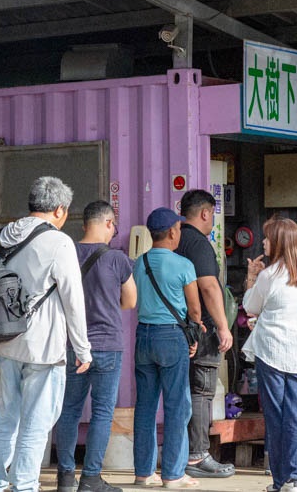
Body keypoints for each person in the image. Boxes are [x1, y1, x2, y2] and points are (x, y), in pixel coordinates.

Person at [0, 177, 92, 492]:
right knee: (35, 425)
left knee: (5, 420)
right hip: (43, 347)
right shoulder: (59, 242)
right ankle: (25, 485)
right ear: (59, 210)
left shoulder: (2, 236)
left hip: (4, 341)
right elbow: (72, 298)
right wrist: (82, 349)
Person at [55, 201, 136, 492]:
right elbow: (130, 301)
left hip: (74, 345)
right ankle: (90, 478)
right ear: (107, 223)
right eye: (113, 225)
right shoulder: (116, 259)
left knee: (69, 410)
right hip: (108, 346)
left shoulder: (67, 253)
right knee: (102, 412)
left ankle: (65, 477)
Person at [243, 217, 297, 492]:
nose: (263, 242)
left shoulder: (268, 277)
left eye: (267, 238)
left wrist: (251, 278)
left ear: (278, 243)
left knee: (275, 417)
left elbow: (251, 307)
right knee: (296, 416)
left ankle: (279, 480)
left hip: (272, 353)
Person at [132, 208, 202, 489]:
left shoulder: (139, 263)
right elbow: (195, 309)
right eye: (179, 228)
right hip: (172, 338)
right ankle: (173, 474)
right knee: (177, 407)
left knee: (145, 407)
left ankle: (144, 473)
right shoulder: (184, 265)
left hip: (143, 337)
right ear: (173, 232)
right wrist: (194, 335)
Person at [174, 190, 235, 479]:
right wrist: (223, 327)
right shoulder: (199, 243)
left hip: (175, 330)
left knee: (181, 392)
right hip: (200, 330)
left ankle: (180, 453)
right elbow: (209, 287)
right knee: (201, 392)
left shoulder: (172, 240)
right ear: (205, 213)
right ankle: (197, 456)